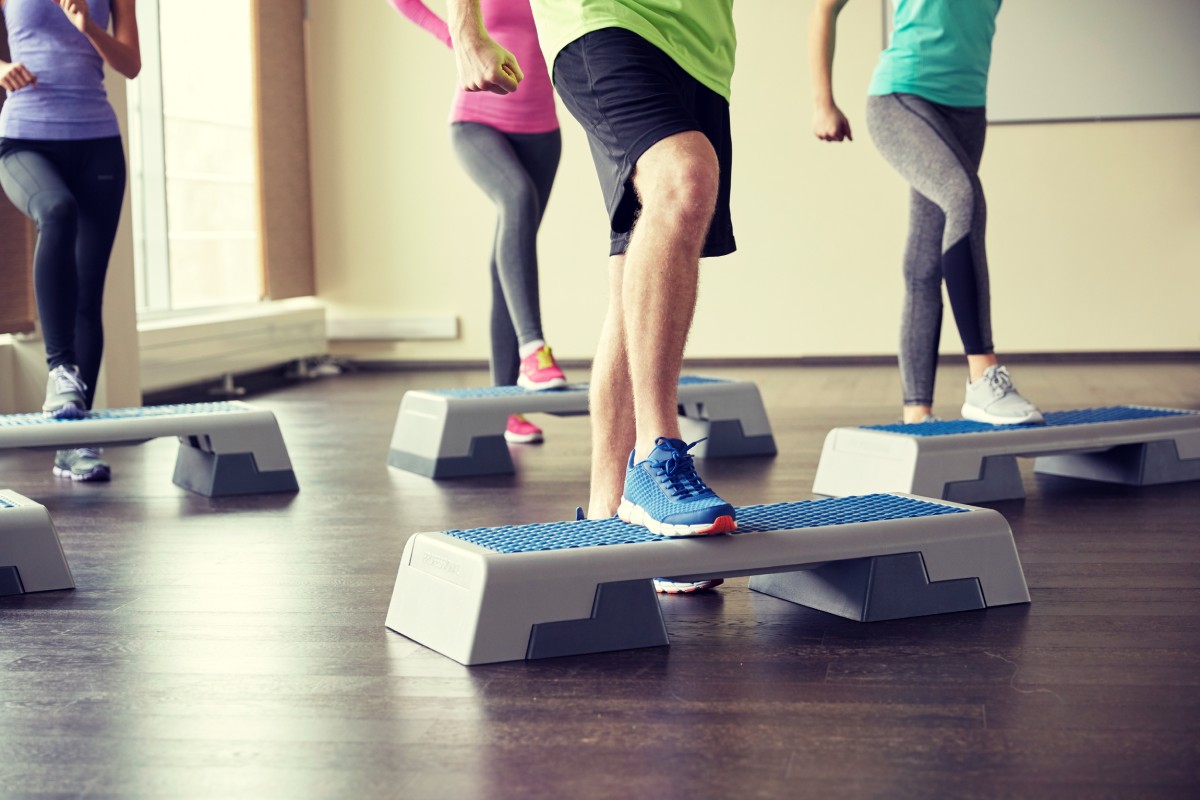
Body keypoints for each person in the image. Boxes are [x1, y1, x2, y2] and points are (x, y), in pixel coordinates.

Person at [443, 0, 738, 593]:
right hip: (601, 20)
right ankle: (658, 456)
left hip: (703, 50)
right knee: (686, 173)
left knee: (635, 260)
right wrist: (465, 28)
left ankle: (609, 515)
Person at [810, 0, 1043, 426]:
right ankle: (983, 375)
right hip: (903, 96)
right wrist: (823, 101)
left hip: (969, 110)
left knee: (924, 260)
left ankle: (917, 413)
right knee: (963, 197)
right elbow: (824, 8)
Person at [387, 0, 568, 446]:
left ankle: (506, 408)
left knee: (508, 255)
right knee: (517, 198)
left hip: (543, 130)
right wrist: (458, 38)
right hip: (476, 120)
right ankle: (533, 350)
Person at [0, 0, 140, 481]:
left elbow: (131, 63)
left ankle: (75, 443)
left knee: (87, 294)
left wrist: (89, 29)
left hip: (97, 141)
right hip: (24, 138)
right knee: (55, 211)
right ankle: (61, 370)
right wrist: (0, 68)